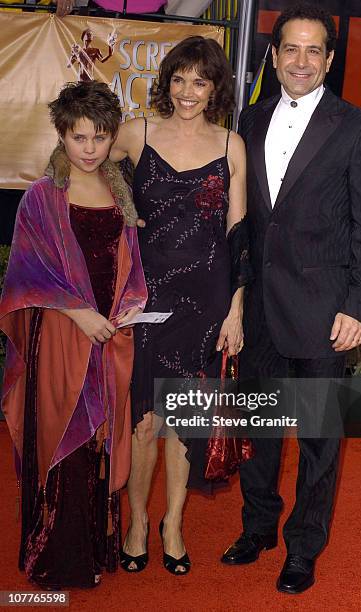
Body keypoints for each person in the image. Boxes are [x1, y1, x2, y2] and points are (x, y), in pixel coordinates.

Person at [221, 3, 361, 594]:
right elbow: (242, 220)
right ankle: (258, 526)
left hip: (324, 311)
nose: (300, 60)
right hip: (262, 308)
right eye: (290, 48)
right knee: (260, 430)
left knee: (319, 440)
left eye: (313, 50)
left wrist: (358, 306)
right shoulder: (251, 117)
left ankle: (303, 547)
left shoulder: (358, 128)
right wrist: (235, 297)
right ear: (273, 54)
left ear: (330, 59)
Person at [110, 35, 250, 575]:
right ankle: (137, 522)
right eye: (179, 79)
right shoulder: (137, 133)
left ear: (215, 88)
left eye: (200, 81)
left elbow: (238, 234)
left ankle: (171, 523)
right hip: (150, 297)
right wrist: (119, 213)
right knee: (146, 419)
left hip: (209, 298)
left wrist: (236, 311)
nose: (188, 92)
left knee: (183, 417)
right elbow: (79, 160)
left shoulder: (229, 144)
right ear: (166, 82)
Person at [0, 81, 147, 589]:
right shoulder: (42, 197)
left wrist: (128, 308)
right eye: (79, 137)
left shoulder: (119, 192)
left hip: (106, 338)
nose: (89, 149)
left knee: (99, 444)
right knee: (64, 439)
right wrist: (80, 312)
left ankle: (91, 550)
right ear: (61, 134)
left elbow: (129, 268)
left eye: (100, 138)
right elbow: (24, 273)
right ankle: (55, 557)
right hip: (60, 339)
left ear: (113, 138)